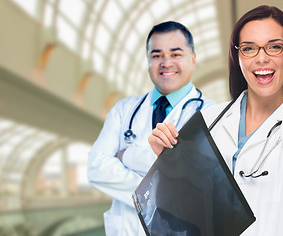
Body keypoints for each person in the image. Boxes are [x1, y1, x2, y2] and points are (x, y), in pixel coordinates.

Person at [148, 5, 283, 236]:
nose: (262, 58)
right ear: (238, 57)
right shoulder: (208, 119)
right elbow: (189, 205)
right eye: (249, 49)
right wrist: (168, 162)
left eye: (274, 46)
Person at [87, 21, 214, 235]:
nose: (166, 62)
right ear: (148, 62)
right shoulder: (124, 110)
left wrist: (126, 156)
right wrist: (164, 187)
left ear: (193, 60)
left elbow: (194, 185)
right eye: (157, 55)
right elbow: (96, 168)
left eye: (176, 54)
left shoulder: (211, 114)